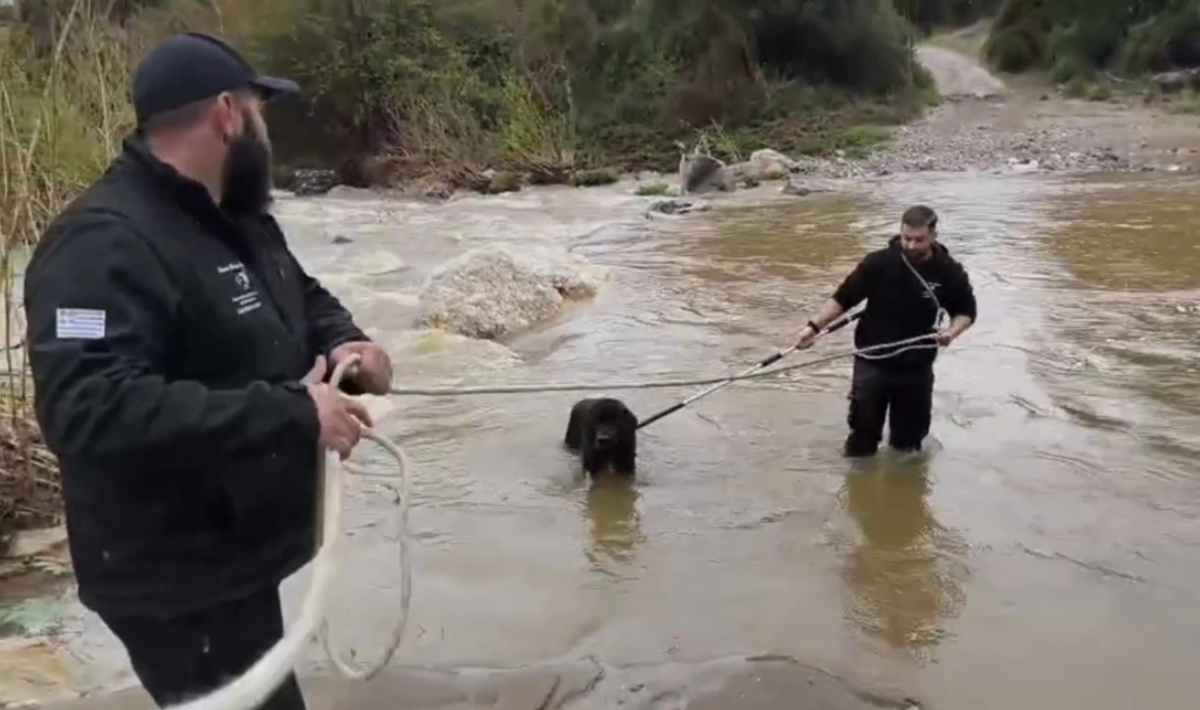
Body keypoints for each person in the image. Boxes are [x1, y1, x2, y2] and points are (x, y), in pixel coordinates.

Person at [22, 33, 393, 710]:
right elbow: (88, 407)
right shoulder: (100, 243)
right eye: (260, 111)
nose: (266, 133)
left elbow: (300, 295)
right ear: (228, 113)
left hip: (233, 553)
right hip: (175, 580)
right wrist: (295, 410)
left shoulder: (236, 214)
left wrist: (348, 345)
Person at [795, 205, 976, 457]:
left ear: (933, 235)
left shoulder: (949, 271)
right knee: (861, 439)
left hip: (916, 367)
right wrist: (813, 327)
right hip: (872, 361)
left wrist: (951, 332)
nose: (911, 245)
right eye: (907, 238)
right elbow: (844, 298)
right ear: (900, 233)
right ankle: (857, 488)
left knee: (908, 447)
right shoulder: (878, 263)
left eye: (919, 240)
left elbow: (967, 311)